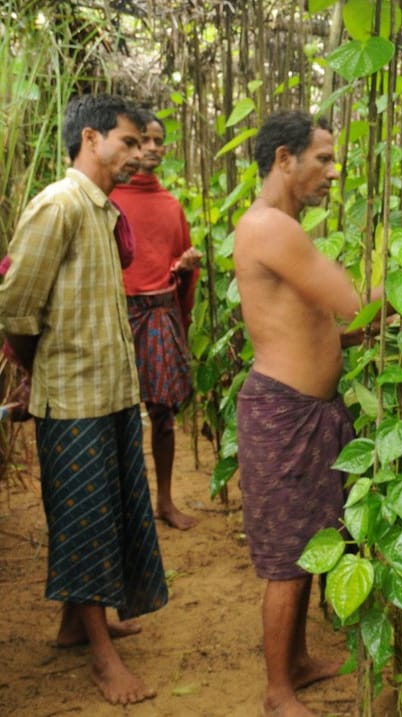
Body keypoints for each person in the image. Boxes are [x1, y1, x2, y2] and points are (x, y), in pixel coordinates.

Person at [234, 110, 402, 717]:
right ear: (284, 160)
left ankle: (297, 664)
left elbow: (327, 330)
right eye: (323, 158)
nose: (334, 172)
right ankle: (277, 692)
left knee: (314, 542)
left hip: (307, 411)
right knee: (289, 557)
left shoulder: (280, 227)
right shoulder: (272, 227)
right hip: (285, 413)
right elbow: (349, 306)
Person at [0, 93, 169, 706]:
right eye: (127, 142)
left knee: (107, 508)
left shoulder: (100, 210)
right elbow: (15, 306)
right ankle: (103, 658)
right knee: (86, 519)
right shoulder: (60, 205)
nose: (137, 154)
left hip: (108, 389)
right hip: (74, 399)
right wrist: (33, 370)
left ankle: (77, 623)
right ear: (91, 139)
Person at [110, 110, 201, 530]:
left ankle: (164, 501)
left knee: (163, 415)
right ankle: (124, 508)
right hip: (118, 314)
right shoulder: (108, 198)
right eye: (141, 140)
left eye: (157, 140)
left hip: (161, 312)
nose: (150, 148)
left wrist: (185, 267)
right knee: (116, 416)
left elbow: (180, 265)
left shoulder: (171, 206)